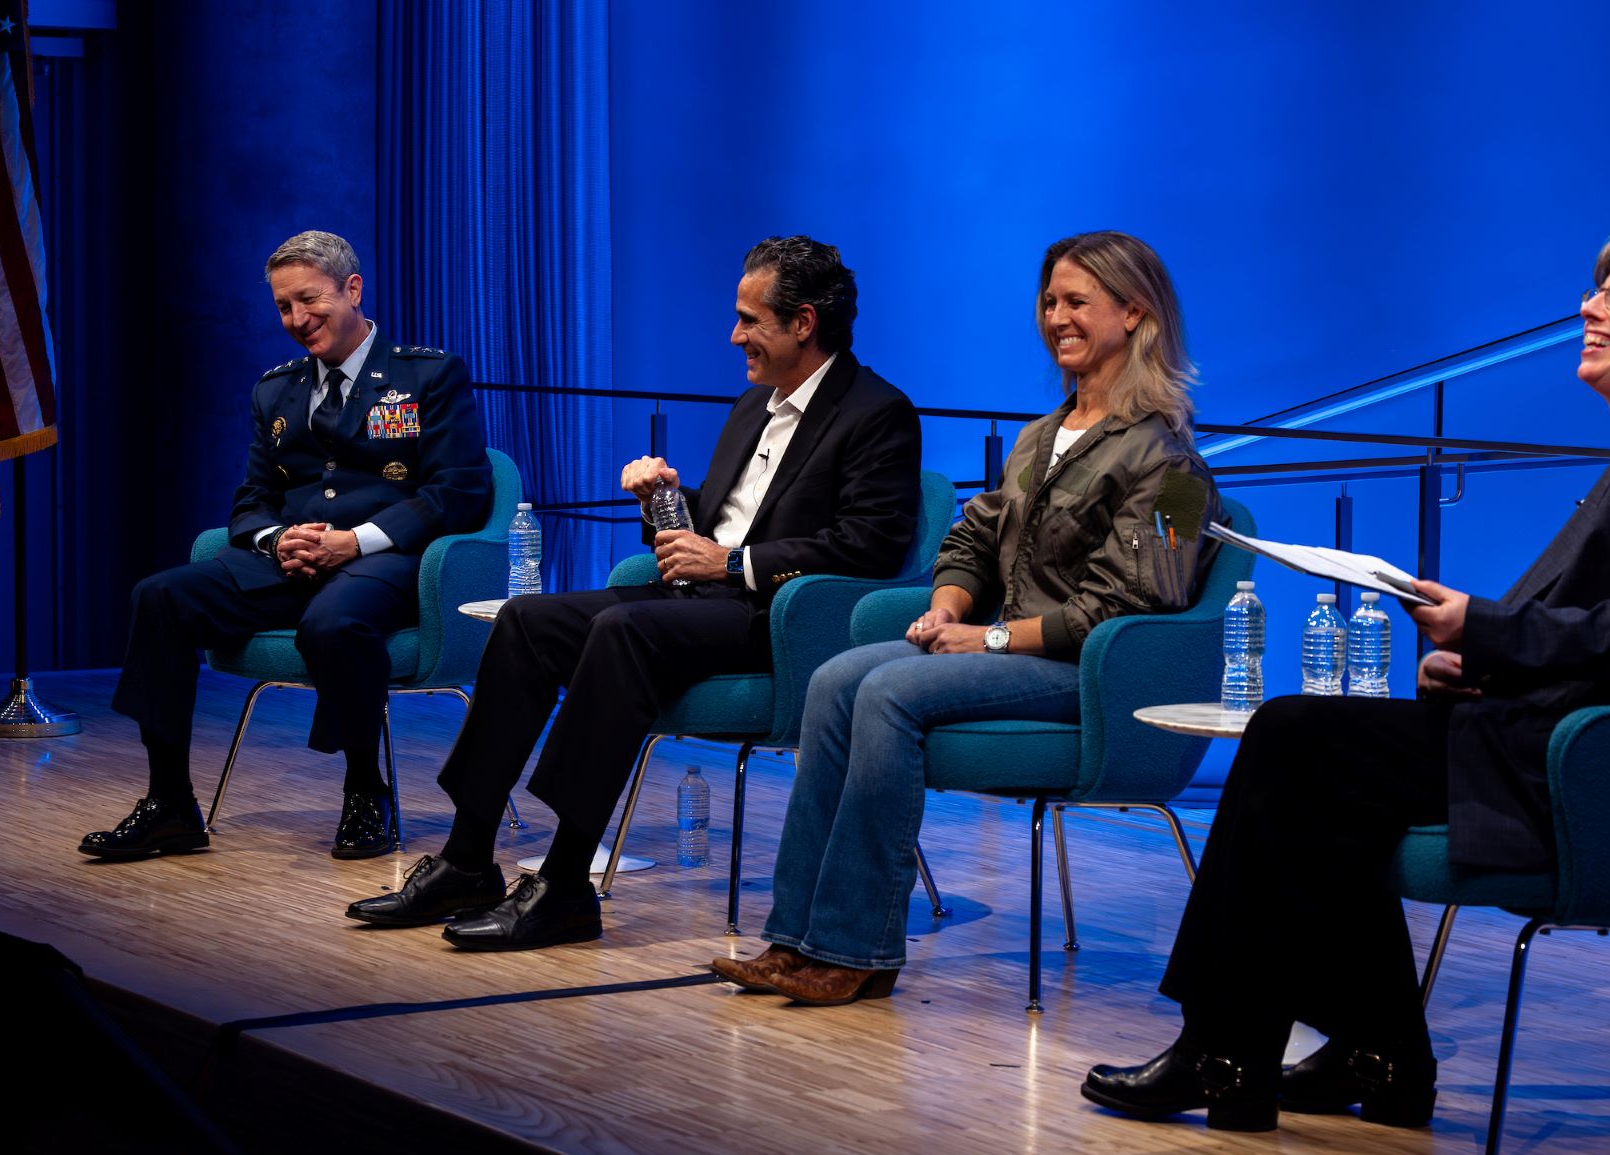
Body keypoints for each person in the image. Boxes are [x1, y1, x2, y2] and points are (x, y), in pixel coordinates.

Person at [1081, 230, 1610, 1133]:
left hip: (1592, 771)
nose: (1590, 308)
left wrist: (1486, 628)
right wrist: (1476, 661)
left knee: (1296, 738)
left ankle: (1231, 1049)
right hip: (1539, 740)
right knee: (1313, 764)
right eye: (1594, 292)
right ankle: (1374, 1054)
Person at [345, 235, 923, 948]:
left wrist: (733, 563)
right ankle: (467, 858)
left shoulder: (877, 412)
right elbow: (717, 521)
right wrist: (664, 502)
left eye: (749, 320)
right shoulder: (753, 406)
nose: (733, 334)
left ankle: (562, 885)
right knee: (527, 621)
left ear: (803, 322)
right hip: (700, 603)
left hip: (777, 619)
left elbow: (870, 543)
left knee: (622, 632)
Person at [710, 231, 1224, 1006]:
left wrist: (981, 636)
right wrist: (947, 601)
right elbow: (973, 536)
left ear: (1134, 313)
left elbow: (1130, 607)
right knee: (839, 677)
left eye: (1076, 301)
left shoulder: (1172, 462)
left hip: (1081, 674)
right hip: (1002, 652)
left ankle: (856, 950)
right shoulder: (1040, 438)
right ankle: (795, 940)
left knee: (887, 691)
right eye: (1050, 301)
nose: (1056, 317)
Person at [81, 231, 492, 863]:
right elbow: (251, 500)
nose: (296, 321)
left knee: (335, 623)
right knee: (159, 597)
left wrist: (354, 542)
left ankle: (365, 791)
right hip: (289, 563)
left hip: (383, 564)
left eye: (309, 302)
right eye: (282, 307)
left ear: (353, 289)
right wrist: (277, 539)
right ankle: (169, 804)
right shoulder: (275, 390)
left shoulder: (427, 374)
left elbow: (459, 492)